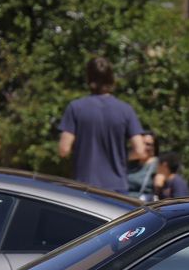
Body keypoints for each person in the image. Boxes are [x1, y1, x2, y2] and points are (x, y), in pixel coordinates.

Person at [57, 55, 146, 193]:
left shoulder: (75, 108)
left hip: (83, 186)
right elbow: (140, 150)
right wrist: (121, 157)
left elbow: (63, 149)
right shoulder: (126, 110)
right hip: (117, 188)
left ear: (88, 78)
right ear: (111, 79)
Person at [126, 134, 158, 199]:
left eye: (148, 144)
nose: (144, 147)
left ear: (154, 147)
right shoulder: (130, 162)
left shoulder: (157, 165)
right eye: (142, 143)